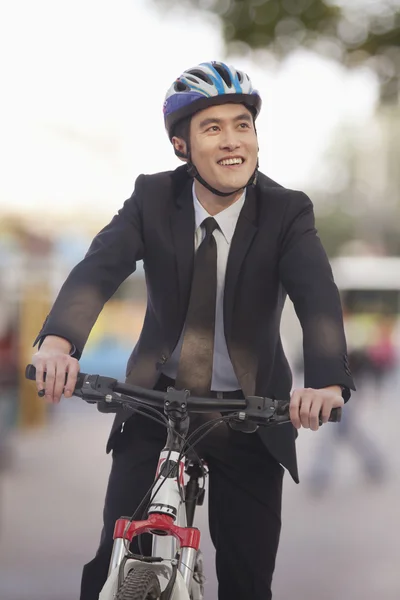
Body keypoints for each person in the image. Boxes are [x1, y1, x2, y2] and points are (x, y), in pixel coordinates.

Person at [31, 61, 355, 600]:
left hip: (248, 413)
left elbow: (316, 296)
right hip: (157, 402)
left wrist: (325, 383)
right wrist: (59, 344)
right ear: (182, 146)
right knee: (110, 562)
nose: (233, 142)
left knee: (248, 580)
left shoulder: (286, 211)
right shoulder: (153, 198)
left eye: (242, 125)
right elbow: (99, 268)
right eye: (213, 128)